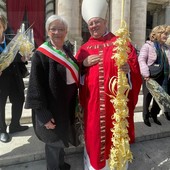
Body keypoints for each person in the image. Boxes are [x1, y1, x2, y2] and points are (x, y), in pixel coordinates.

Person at [75, 0, 142, 169]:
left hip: (115, 106)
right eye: (91, 23)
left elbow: (134, 69)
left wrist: (127, 70)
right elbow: (73, 74)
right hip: (94, 106)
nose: (94, 25)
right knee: (95, 138)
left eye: (97, 22)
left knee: (116, 136)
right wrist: (83, 64)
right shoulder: (84, 49)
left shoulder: (121, 44)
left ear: (105, 22)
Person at [25, 15, 79, 170]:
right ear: (48, 31)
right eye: (53, 29)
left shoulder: (66, 50)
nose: (57, 32)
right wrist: (44, 116)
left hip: (65, 107)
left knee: (61, 140)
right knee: (53, 144)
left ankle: (61, 165)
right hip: (51, 110)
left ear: (66, 32)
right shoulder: (40, 54)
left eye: (61, 29)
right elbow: (35, 88)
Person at [0, 14, 29, 143]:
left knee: (19, 100)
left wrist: (23, 59)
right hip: (1, 81)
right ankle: (1, 130)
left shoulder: (13, 41)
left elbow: (19, 59)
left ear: (4, 26)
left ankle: (15, 125)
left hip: (15, 77)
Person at [138, 25, 170, 127]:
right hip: (150, 75)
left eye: (167, 34)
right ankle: (146, 116)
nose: (166, 36)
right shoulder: (148, 46)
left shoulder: (166, 47)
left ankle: (154, 114)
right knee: (147, 98)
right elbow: (141, 60)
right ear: (157, 34)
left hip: (163, 77)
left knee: (160, 98)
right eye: (164, 34)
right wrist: (145, 73)